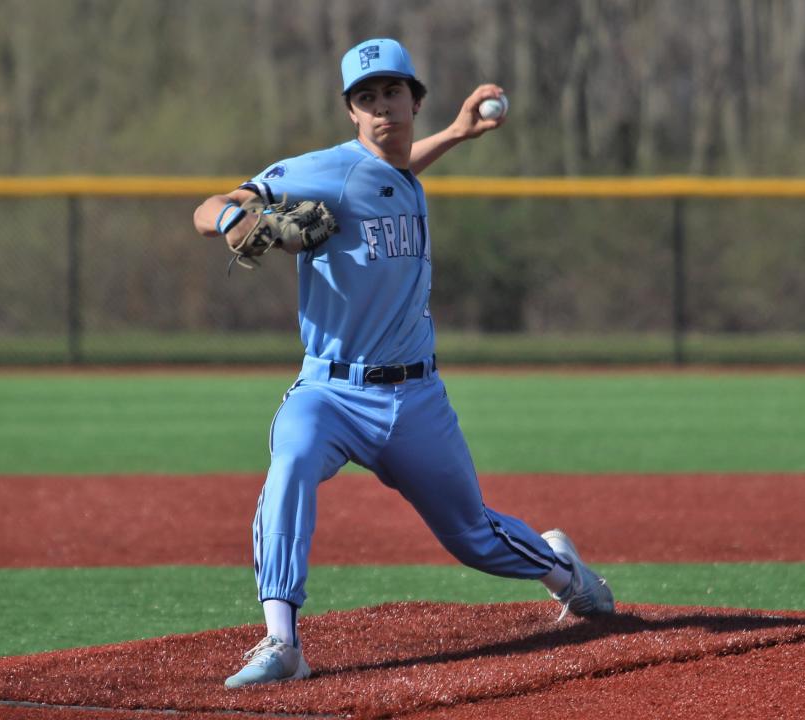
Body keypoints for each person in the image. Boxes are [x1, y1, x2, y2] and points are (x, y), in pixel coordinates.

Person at [193, 38, 614, 689]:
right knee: (291, 463)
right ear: (352, 114)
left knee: (473, 537)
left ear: (413, 100)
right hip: (328, 392)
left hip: (415, 401)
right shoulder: (325, 170)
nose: (381, 107)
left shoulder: (402, 176)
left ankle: (565, 572)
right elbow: (211, 205)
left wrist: (458, 133)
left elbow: (394, 171)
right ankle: (282, 642)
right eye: (366, 98)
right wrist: (232, 220)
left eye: (392, 92)